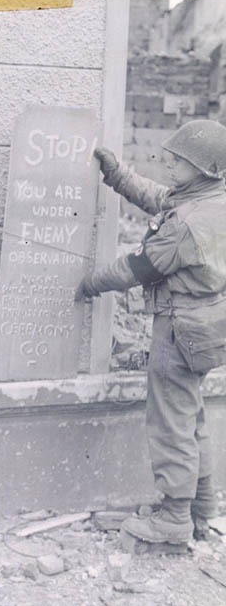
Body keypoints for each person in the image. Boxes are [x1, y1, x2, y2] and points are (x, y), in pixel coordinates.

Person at [75, 119, 226, 545]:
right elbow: (162, 199)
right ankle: (200, 509)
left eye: (179, 160)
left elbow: (138, 267)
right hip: (208, 326)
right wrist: (118, 176)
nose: (168, 163)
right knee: (190, 416)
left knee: (169, 423)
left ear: (205, 168)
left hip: (179, 329)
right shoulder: (212, 201)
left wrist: (89, 283)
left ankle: (173, 520)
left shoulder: (187, 224)